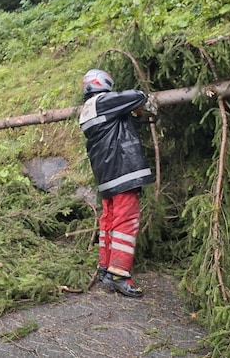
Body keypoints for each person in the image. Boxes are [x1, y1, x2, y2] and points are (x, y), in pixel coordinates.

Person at [78, 68, 155, 298]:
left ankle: (106, 266)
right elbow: (134, 96)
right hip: (123, 170)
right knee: (126, 220)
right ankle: (119, 273)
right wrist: (144, 100)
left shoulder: (87, 111)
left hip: (107, 175)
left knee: (109, 220)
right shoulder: (103, 101)